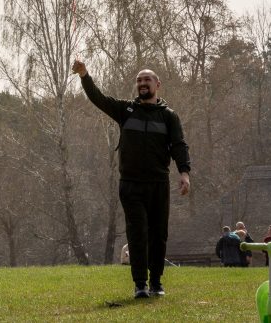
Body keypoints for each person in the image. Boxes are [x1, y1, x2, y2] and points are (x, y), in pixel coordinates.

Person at [72, 60, 191, 299]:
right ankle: (140, 285)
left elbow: (179, 145)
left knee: (158, 234)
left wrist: (184, 173)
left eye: (147, 80)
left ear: (158, 84)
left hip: (159, 184)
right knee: (137, 234)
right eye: (139, 80)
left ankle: (156, 282)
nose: (142, 83)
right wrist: (84, 75)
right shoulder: (125, 110)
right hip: (131, 185)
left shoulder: (169, 117)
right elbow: (99, 98)